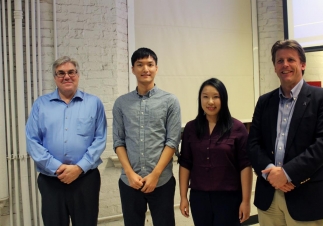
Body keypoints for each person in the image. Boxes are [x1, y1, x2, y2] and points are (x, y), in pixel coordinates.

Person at [248, 39, 323, 225]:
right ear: (275, 67)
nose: (285, 65)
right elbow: (253, 143)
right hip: (269, 194)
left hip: (305, 194)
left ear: (302, 64)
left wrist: (287, 173)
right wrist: (271, 174)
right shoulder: (264, 102)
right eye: (280, 61)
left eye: (291, 59)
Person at [25, 56, 107, 226]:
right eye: (61, 73)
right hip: (51, 180)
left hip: (85, 179)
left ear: (78, 75)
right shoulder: (41, 104)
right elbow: (32, 141)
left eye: (71, 72)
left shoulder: (94, 103)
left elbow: (100, 139)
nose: (66, 77)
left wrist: (79, 168)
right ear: (55, 77)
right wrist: (57, 168)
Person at [113, 47, 182, 226]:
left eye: (150, 64)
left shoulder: (170, 101)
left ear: (156, 68)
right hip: (129, 182)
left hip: (162, 181)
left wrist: (155, 174)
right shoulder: (121, 103)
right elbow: (119, 141)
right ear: (133, 69)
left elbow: (172, 141)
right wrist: (129, 173)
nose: (146, 69)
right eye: (140, 64)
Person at [179, 78, 253, 226]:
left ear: (223, 99)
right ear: (200, 99)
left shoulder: (238, 128)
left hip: (229, 198)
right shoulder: (191, 128)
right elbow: (185, 163)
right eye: (205, 96)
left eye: (216, 97)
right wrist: (183, 197)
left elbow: (245, 166)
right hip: (199, 198)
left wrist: (246, 201)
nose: (210, 102)